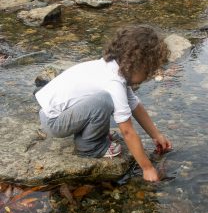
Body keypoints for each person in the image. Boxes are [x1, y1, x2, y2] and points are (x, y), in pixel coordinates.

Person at [35, 24, 172, 182]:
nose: (148, 76)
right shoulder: (113, 81)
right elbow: (127, 131)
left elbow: (135, 105)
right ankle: (89, 147)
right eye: (148, 71)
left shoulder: (112, 69)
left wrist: (157, 135)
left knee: (103, 101)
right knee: (104, 101)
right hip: (54, 122)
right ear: (139, 65)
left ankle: (90, 136)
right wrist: (147, 168)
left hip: (53, 113)